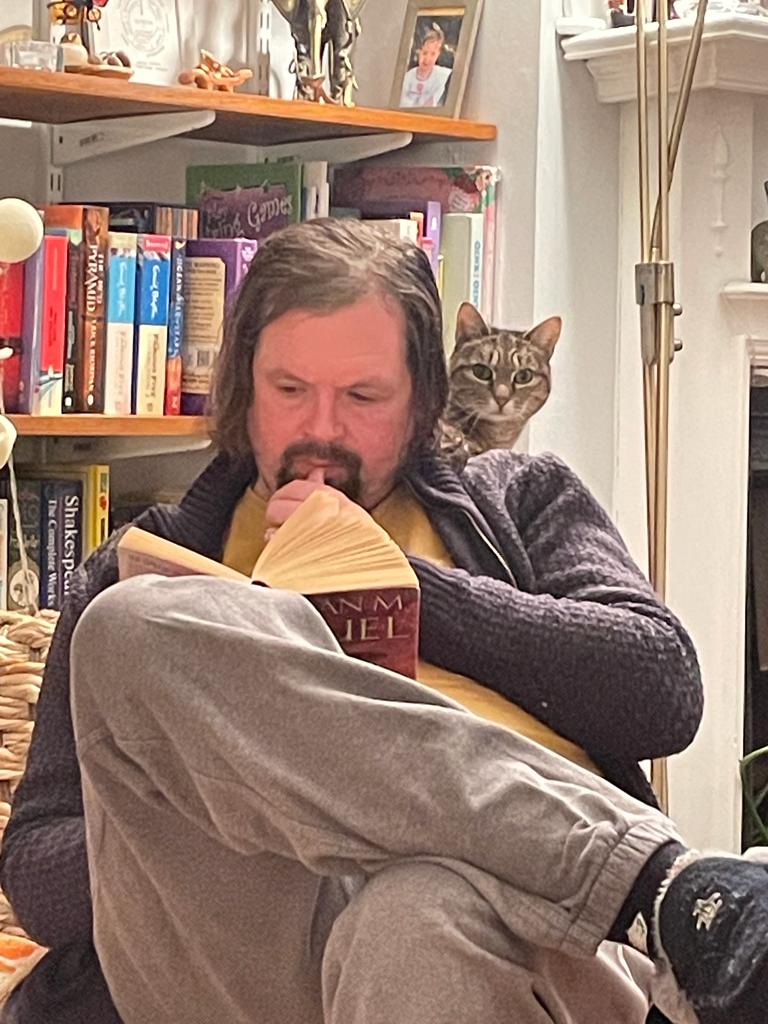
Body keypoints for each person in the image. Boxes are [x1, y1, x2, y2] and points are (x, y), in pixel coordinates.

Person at [0, 218, 765, 1024]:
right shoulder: (153, 559)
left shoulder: (521, 496)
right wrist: (266, 802)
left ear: (422, 402)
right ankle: (658, 886)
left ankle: (620, 883)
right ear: (242, 387)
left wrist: (414, 590)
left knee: (415, 915)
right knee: (133, 624)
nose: (321, 427)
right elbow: (37, 871)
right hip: (243, 955)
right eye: (288, 390)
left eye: (363, 396)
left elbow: (660, 688)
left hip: (520, 937)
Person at [399, 24, 452, 108]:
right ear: (418, 52)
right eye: (424, 53)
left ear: (438, 55)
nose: (427, 59)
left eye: (433, 54)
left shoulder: (443, 76)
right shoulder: (408, 77)